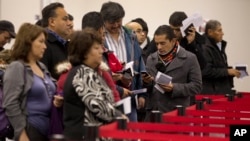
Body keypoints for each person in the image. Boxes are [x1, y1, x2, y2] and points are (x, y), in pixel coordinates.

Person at [2, 23, 63, 141]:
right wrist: (21, 134)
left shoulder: (41, 66)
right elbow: (10, 104)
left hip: (48, 129)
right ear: (28, 42)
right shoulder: (17, 67)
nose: (45, 46)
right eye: (41, 41)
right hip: (31, 130)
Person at [63, 30, 127, 140]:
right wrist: (120, 116)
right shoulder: (83, 73)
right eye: (96, 48)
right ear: (84, 52)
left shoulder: (90, 71)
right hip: (84, 135)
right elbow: (98, 105)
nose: (101, 51)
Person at [143, 25, 202, 120]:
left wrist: (174, 88)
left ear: (173, 41)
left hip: (176, 112)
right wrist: (146, 82)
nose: (159, 47)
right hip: (154, 113)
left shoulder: (190, 58)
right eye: (156, 43)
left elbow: (197, 86)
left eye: (163, 43)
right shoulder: (151, 58)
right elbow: (148, 88)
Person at [100, 1, 146, 122]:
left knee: (131, 132)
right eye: (111, 22)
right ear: (103, 21)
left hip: (129, 93)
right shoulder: (99, 38)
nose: (115, 25)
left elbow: (139, 63)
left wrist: (141, 94)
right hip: (108, 93)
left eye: (118, 21)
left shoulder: (131, 36)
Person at [201, 20, 240, 94]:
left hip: (220, 90)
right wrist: (227, 72)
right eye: (219, 30)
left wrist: (231, 72)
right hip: (212, 94)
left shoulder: (216, 46)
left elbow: (219, 66)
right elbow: (206, 71)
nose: (222, 33)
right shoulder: (205, 48)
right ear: (210, 32)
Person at [40, 2, 71, 80]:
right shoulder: (44, 45)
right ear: (52, 22)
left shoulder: (66, 44)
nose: (69, 23)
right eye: (65, 19)